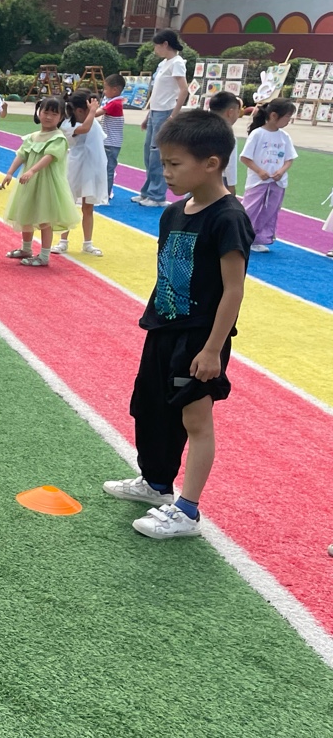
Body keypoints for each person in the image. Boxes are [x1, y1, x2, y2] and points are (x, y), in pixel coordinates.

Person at [102, 110, 252, 538]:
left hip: (199, 337)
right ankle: (155, 483)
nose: (165, 171)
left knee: (195, 419)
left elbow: (233, 290)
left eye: (174, 163)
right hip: (163, 329)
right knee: (151, 408)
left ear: (212, 163)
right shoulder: (172, 213)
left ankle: (187, 510)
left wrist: (212, 349)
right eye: (162, 162)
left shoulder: (228, 218)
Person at [2, 96, 80, 267]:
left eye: (54, 114)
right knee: (26, 214)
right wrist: (9, 173)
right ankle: (26, 249)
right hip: (29, 183)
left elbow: (49, 157)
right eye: (46, 112)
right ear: (39, 112)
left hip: (47, 183)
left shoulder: (58, 138)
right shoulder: (32, 136)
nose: (49, 116)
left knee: (45, 219)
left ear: (61, 117)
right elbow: (21, 155)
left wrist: (32, 170)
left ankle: (44, 256)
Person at [134, 29, 190, 208]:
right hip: (155, 112)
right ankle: (147, 191)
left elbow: (184, 89)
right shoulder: (163, 64)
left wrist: (174, 115)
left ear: (165, 44)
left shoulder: (177, 63)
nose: (155, 49)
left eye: (157, 46)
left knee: (157, 153)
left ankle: (157, 195)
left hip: (165, 111)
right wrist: (148, 114)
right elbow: (157, 91)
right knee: (148, 152)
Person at [239, 98, 297, 253]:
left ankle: (259, 239)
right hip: (258, 181)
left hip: (277, 182)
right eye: (287, 117)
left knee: (270, 211)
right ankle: (241, 236)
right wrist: (259, 171)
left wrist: (281, 171)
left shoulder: (284, 136)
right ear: (273, 115)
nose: (288, 120)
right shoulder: (257, 134)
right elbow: (245, 157)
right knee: (250, 209)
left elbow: (289, 158)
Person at [55, 90, 108, 256]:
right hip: (75, 167)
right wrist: (92, 111)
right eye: (89, 109)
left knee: (88, 207)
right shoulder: (68, 125)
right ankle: (63, 241)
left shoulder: (91, 121)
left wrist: (93, 110)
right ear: (79, 111)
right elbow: (84, 128)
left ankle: (87, 243)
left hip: (92, 168)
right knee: (68, 204)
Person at [204, 90, 244, 192]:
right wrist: (231, 186)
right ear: (230, 112)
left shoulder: (200, 129)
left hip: (197, 175)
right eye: (238, 111)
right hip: (218, 179)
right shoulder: (228, 136)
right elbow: (230, 165)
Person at [97, 73, 126, 201]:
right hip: (110, 141)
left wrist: (90, 109)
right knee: (106, 168)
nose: (104, 91)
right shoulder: (114, 102)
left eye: (106, 88)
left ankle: (105, 193)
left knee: (107, 169)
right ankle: (104, 192)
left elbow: (97, 113)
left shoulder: (115, 104)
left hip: (110, 142)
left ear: (114, 90)